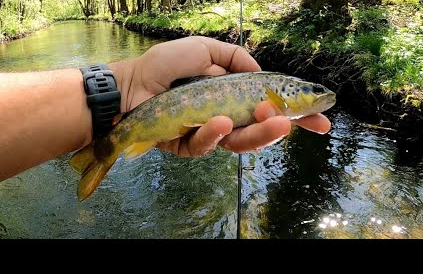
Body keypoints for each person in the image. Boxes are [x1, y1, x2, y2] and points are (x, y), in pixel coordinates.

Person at [0, 36, 331, 181]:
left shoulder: (276, 95)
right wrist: (128, 84)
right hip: (154, 112)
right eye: (313, 91)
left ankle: (106, 147)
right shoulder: (271, 90)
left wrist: (127, 82)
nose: (321, 95)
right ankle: (106, 148)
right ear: (289, 90)